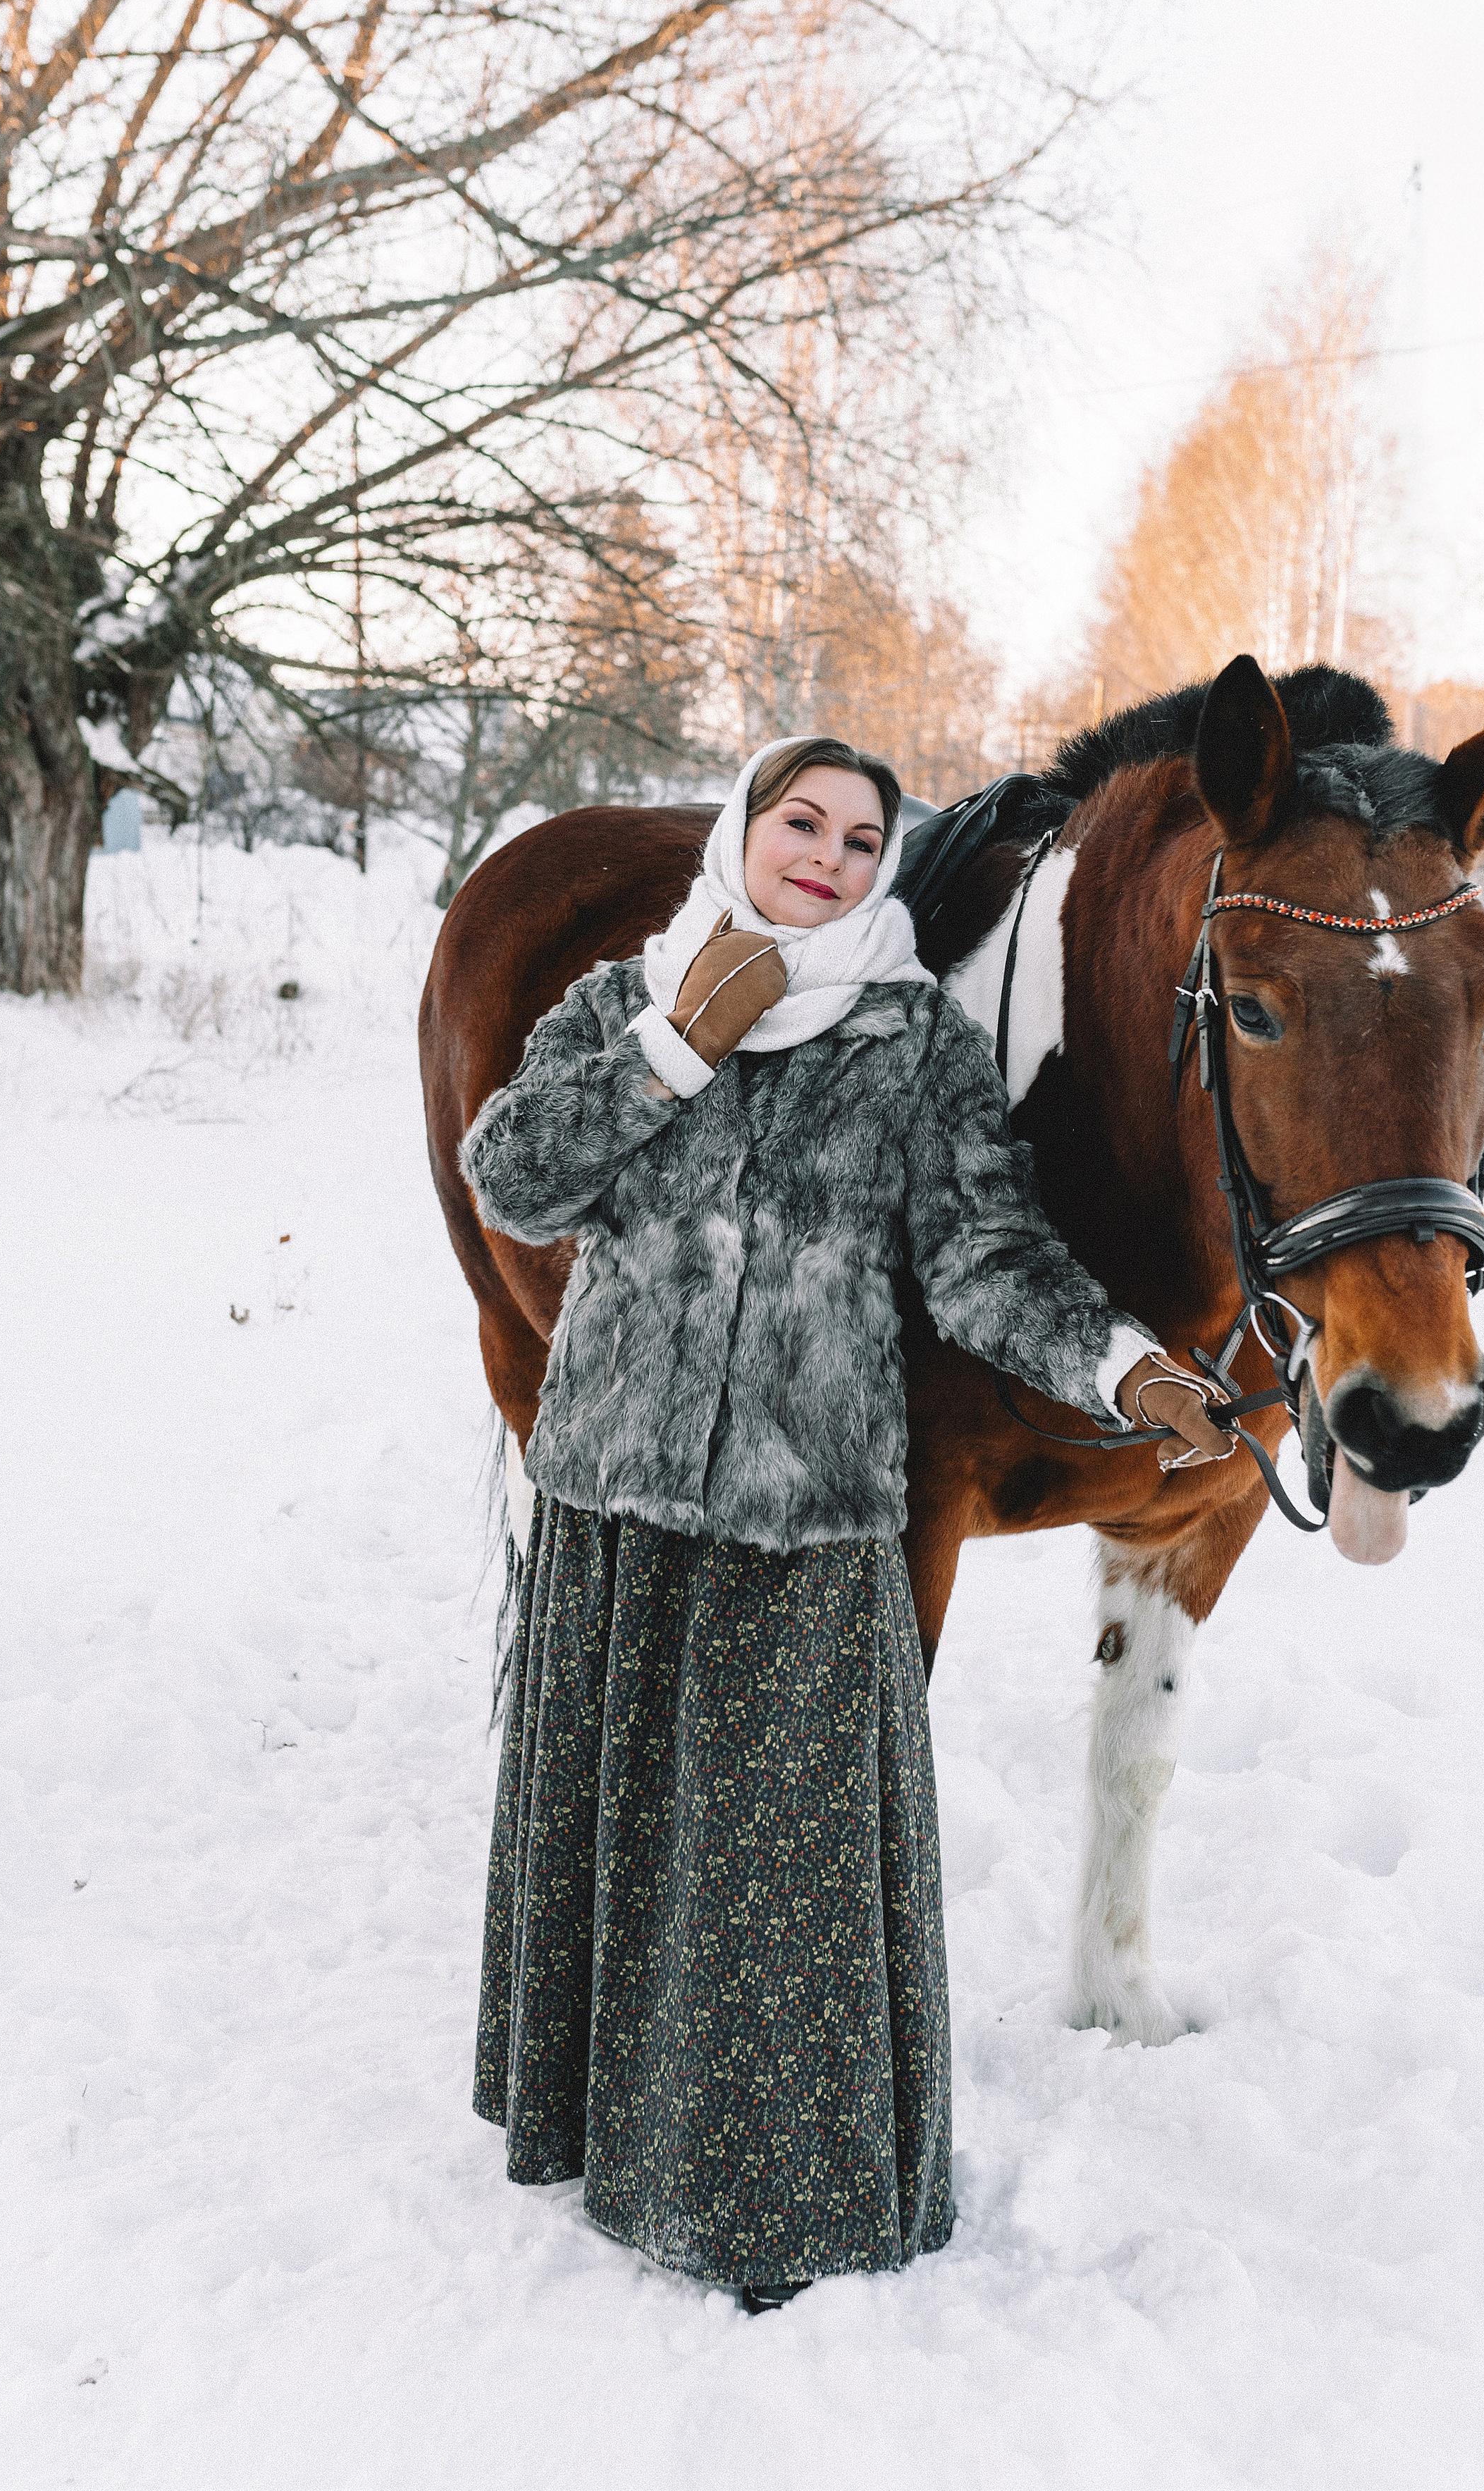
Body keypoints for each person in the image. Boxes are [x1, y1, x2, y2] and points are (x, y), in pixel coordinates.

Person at [459, 734, 1231, 2312]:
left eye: (859, 836)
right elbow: (515, 1176)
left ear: (885, 866)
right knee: (619, 1842)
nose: (822, 852)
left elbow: (982, 1261)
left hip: (804, 1522)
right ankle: (599, 2134)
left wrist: (1126, 1366)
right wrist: (675, 1049)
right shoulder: (624, 1001)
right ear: (742, 832)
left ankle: (778, 2202)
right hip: (614, 1496)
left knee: (783, 1881)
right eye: (796, 821)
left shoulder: (914, 1048)